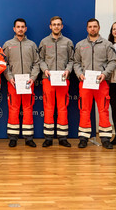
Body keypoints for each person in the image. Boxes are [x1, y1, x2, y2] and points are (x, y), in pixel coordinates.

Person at [73, 18, 116, 149]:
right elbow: (75, 62)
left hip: (101, 82)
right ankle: (83, 138)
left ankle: (105, 138)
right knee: (84, 110)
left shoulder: (107, 44)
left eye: (95, 26)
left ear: (99, 28)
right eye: (90, 27)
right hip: (85, 82)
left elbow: (113, 61)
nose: (92, 29)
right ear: (87, 29)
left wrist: (105, 74)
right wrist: (79, 74)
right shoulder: (80, 45)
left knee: (103, 110)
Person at [3, 18, 40, 148]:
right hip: (13, 82)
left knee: (28, 108)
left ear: (26, 29)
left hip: (28, 83)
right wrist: (9, 77)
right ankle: (13, 137)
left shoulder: (32, 45)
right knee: (13, 108)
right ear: (14, 29)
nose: (20, 29)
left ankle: (28, 137)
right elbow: (4, 64)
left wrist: (33, 78)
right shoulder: (7, 44)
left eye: (22, 27)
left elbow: (37, 63)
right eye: (18, 27)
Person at [38, 16, 74, 148]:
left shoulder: (68, 42)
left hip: (64, 79)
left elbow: (72, 60)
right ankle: (48, 138)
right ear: (50, 26)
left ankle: (62, 137)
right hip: (48, 79)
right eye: (54, 24)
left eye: (59, 24)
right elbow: (40, 60)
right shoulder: (44, 42)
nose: (56, 27)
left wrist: (68, 70)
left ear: (62, 26)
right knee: (48, 108)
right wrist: (45, 70)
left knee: (63, 108)